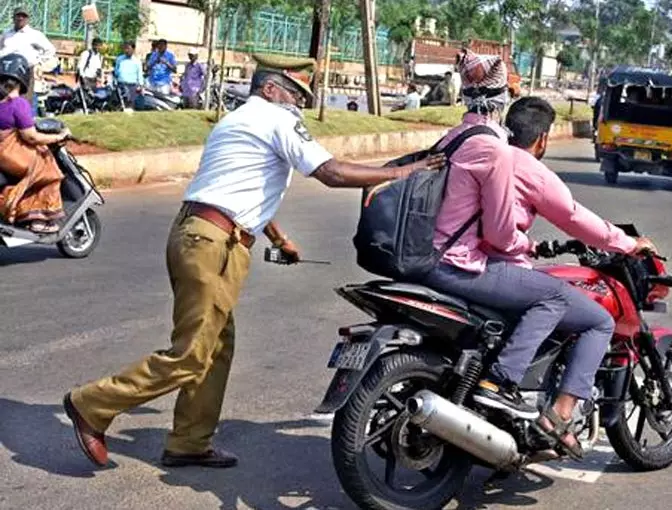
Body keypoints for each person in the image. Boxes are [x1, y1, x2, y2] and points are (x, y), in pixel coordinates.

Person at [62, 59, 445, 469]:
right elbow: (330, 172)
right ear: (270, 89)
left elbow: (239, 187)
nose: (298, 105)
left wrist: (277, 237)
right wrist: (405, 172)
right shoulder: (274, 118)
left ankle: (190, 441)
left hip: (200, 234)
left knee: (216, 347)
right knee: (192, 353)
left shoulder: (237, 120)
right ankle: (92, 403)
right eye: (294, 95)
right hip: (213, 244)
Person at [420, 53, 654, 460]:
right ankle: (542, 405)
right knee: (591, 316)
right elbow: (569, 218)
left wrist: (525, 246)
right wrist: (627, 243)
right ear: (543, 138)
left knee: (538, 291)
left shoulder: (458, 139)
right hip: (464, 263)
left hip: (431, 255)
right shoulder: (510, 159)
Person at [0, 53, 71, 233]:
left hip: (4, 156)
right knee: (49, 170)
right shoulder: (18, 104)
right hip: (11, 156)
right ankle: (38, 219)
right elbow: (31, 137)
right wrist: (58, 137)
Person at [0, 6, 56, 116]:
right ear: (13, 17)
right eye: (18, 16)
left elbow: (50, 50)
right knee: (4, 99)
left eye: (23, 16)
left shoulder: (34, 34)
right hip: (6, 71)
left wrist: (39, 63)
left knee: (24, 102)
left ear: (27, 19)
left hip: (25, 71)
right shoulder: (6, 33)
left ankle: (25, 122)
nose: (20, 18)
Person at [113, 41, 143, 107]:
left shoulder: (137, 61)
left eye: (128, 48)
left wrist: (140, 86)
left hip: (132, 86)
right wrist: (115, 82)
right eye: (125, 48)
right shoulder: (119, 59)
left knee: (130, 105)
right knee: (120, 105)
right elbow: (116, 72)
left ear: (133, 49)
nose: (126, 50)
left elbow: (140, 74)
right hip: (121, 85)